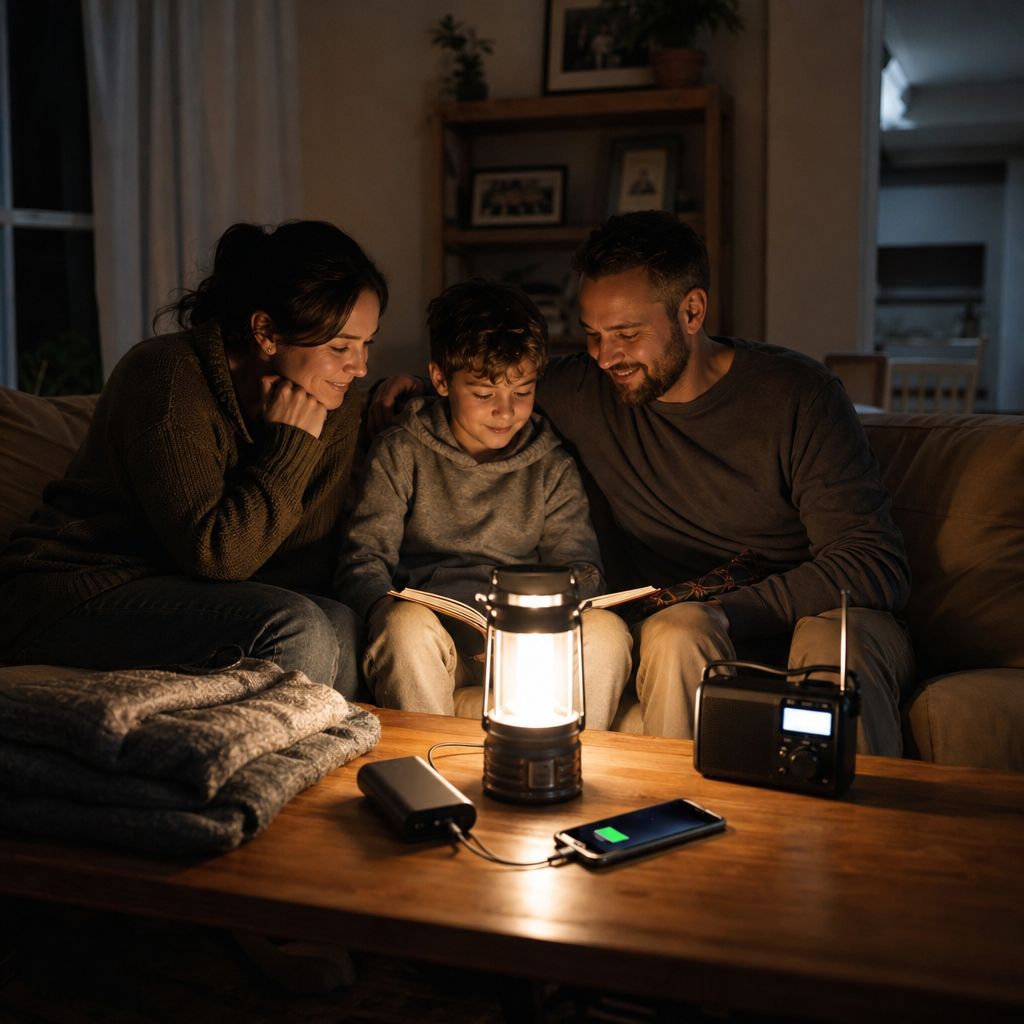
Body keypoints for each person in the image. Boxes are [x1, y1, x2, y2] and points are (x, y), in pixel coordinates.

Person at [367, 212, 915, 755]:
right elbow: (489, 384)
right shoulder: (588, 388)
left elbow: (873, 561)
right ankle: (683, 819)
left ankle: (864, 836)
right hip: (680, 624)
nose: (607, 356)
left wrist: (730, 610)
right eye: (592, 334)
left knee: (832, 641)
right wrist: (415, 387)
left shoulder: (798, 395)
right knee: (675, 632)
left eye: (627, 334)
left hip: (805, 611)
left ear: (692, 311)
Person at [0, 220, 387, 698]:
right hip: (75, 590)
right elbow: (217, 557)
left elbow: (298, 569)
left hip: (196, 595)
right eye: (339, 346)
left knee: (345, 627)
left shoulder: (333, 401)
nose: (360, 366)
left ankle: (316, 767)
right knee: (297, 627)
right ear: (266, 331)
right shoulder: (164, 376)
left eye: (366, 343)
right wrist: (291, 447)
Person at [337, 279, 632, 727]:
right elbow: (364, 558)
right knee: (403, 627)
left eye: (522, 392)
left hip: (528, 645)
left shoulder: (551, 465)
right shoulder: (401, 450)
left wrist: (554, 607)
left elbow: (579, 566)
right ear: (440, 379)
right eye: (483, 394)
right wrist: (384, 606)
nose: (505, 411)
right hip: (438, 641)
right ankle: (427, 772)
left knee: (607, 632)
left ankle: (571, 765)